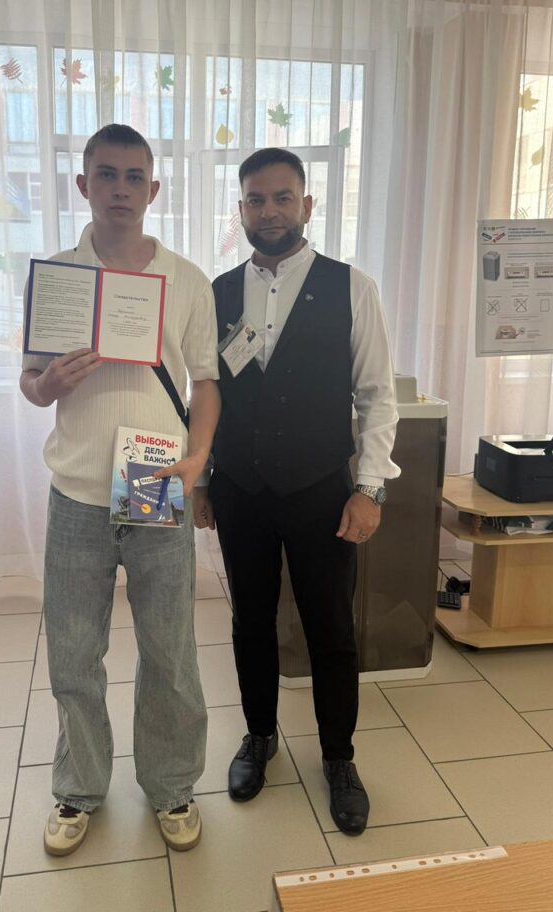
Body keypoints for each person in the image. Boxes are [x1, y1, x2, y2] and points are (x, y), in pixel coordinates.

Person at [20, 124, 220, 856]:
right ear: (83, 184)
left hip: (152, 477)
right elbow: (29, 383)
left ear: (154, 189)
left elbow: (206, 383)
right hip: (76, 488)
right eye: (106, 174)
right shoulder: (57, 277)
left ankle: (171, 786)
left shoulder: (186, 279)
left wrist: (198, 459)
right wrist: (48, 382)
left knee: (169, 649)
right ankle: (78, 788)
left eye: (135, 177)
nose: (120, 190)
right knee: (74, 652)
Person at [193, 147, 399, 837]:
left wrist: (369, 487)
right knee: (250, 623)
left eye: (283, 197)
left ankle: (339, 757)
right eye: (256, 199)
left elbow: (377, 396)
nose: (270, 210)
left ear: (307, 205)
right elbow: (204, 393)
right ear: (241, 210)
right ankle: (259, 737)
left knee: (330, 628)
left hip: (321, 490)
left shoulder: (352, 287)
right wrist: (202, 479)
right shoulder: (218, 293)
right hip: (241, 490)